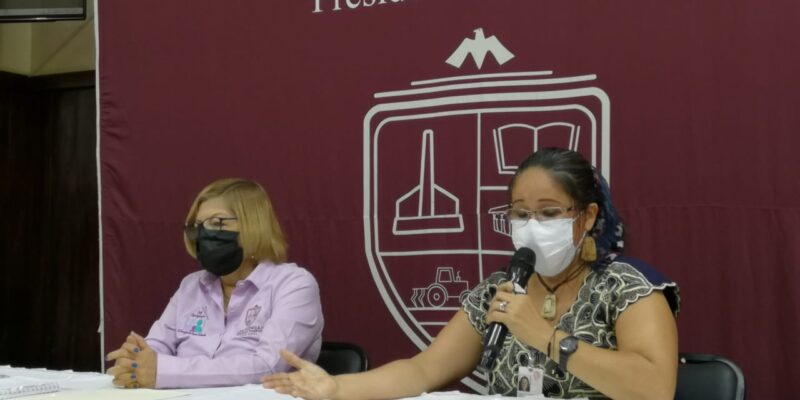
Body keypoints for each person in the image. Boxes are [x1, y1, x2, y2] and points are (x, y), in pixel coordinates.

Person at [262, 148, 680, 400]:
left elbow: (655, 389)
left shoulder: (627, 285)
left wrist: (546, 337)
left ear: (587, 217)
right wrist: (339, 388)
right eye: (520, 213)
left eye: (550, 212)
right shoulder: (500, 289)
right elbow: (424, 370)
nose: (532, 226)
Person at [106, 178, 324, 389]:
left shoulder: (294, 284)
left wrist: (163, 371)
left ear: (253, 225)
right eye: (197, 226)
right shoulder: (191, 286)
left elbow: (267, 366)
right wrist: (134, 360)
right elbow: (156, 348)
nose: (204, 234)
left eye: (217, 223)